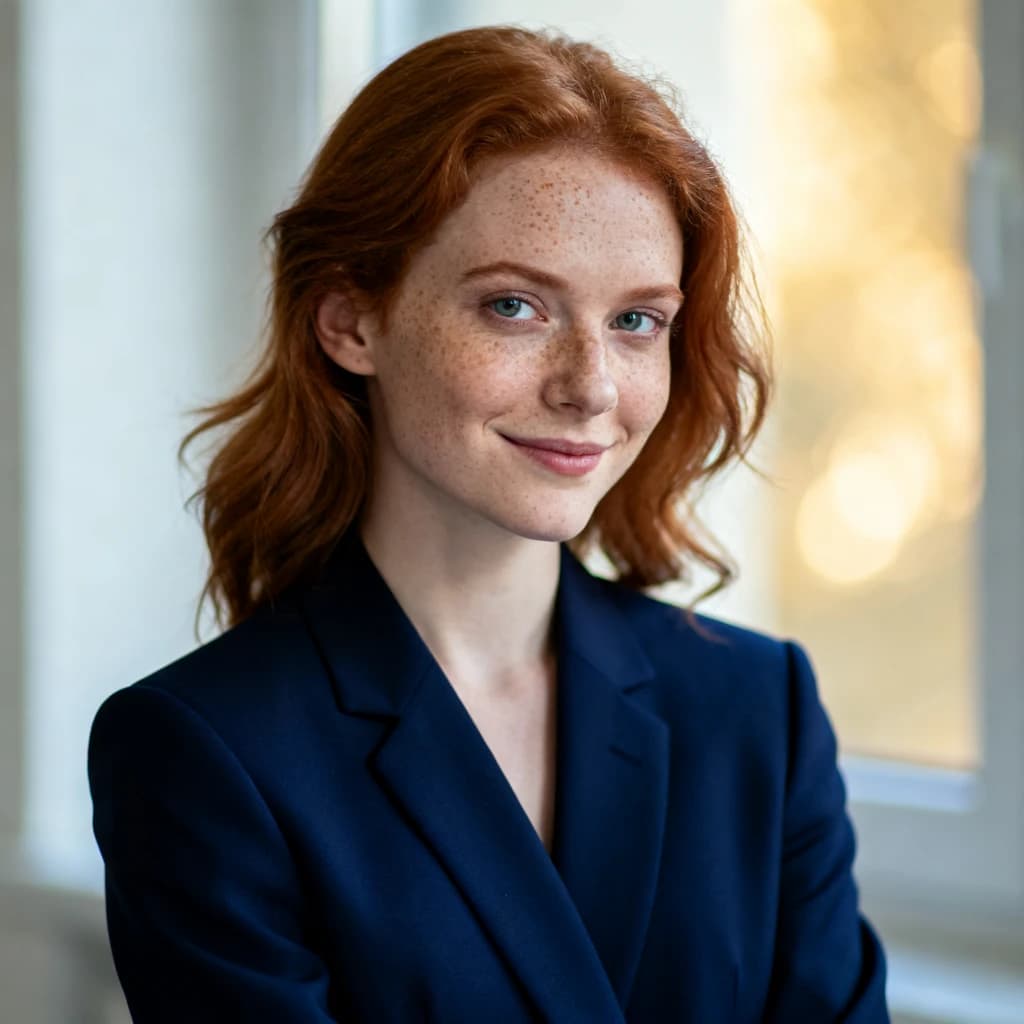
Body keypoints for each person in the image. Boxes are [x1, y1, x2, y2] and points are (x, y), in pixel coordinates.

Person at [87, 24, 890, 1023]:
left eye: (637, 320)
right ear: (350, 321)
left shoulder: (756, 709)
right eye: (514, 306)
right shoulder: (203, 751)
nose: (591, 387)